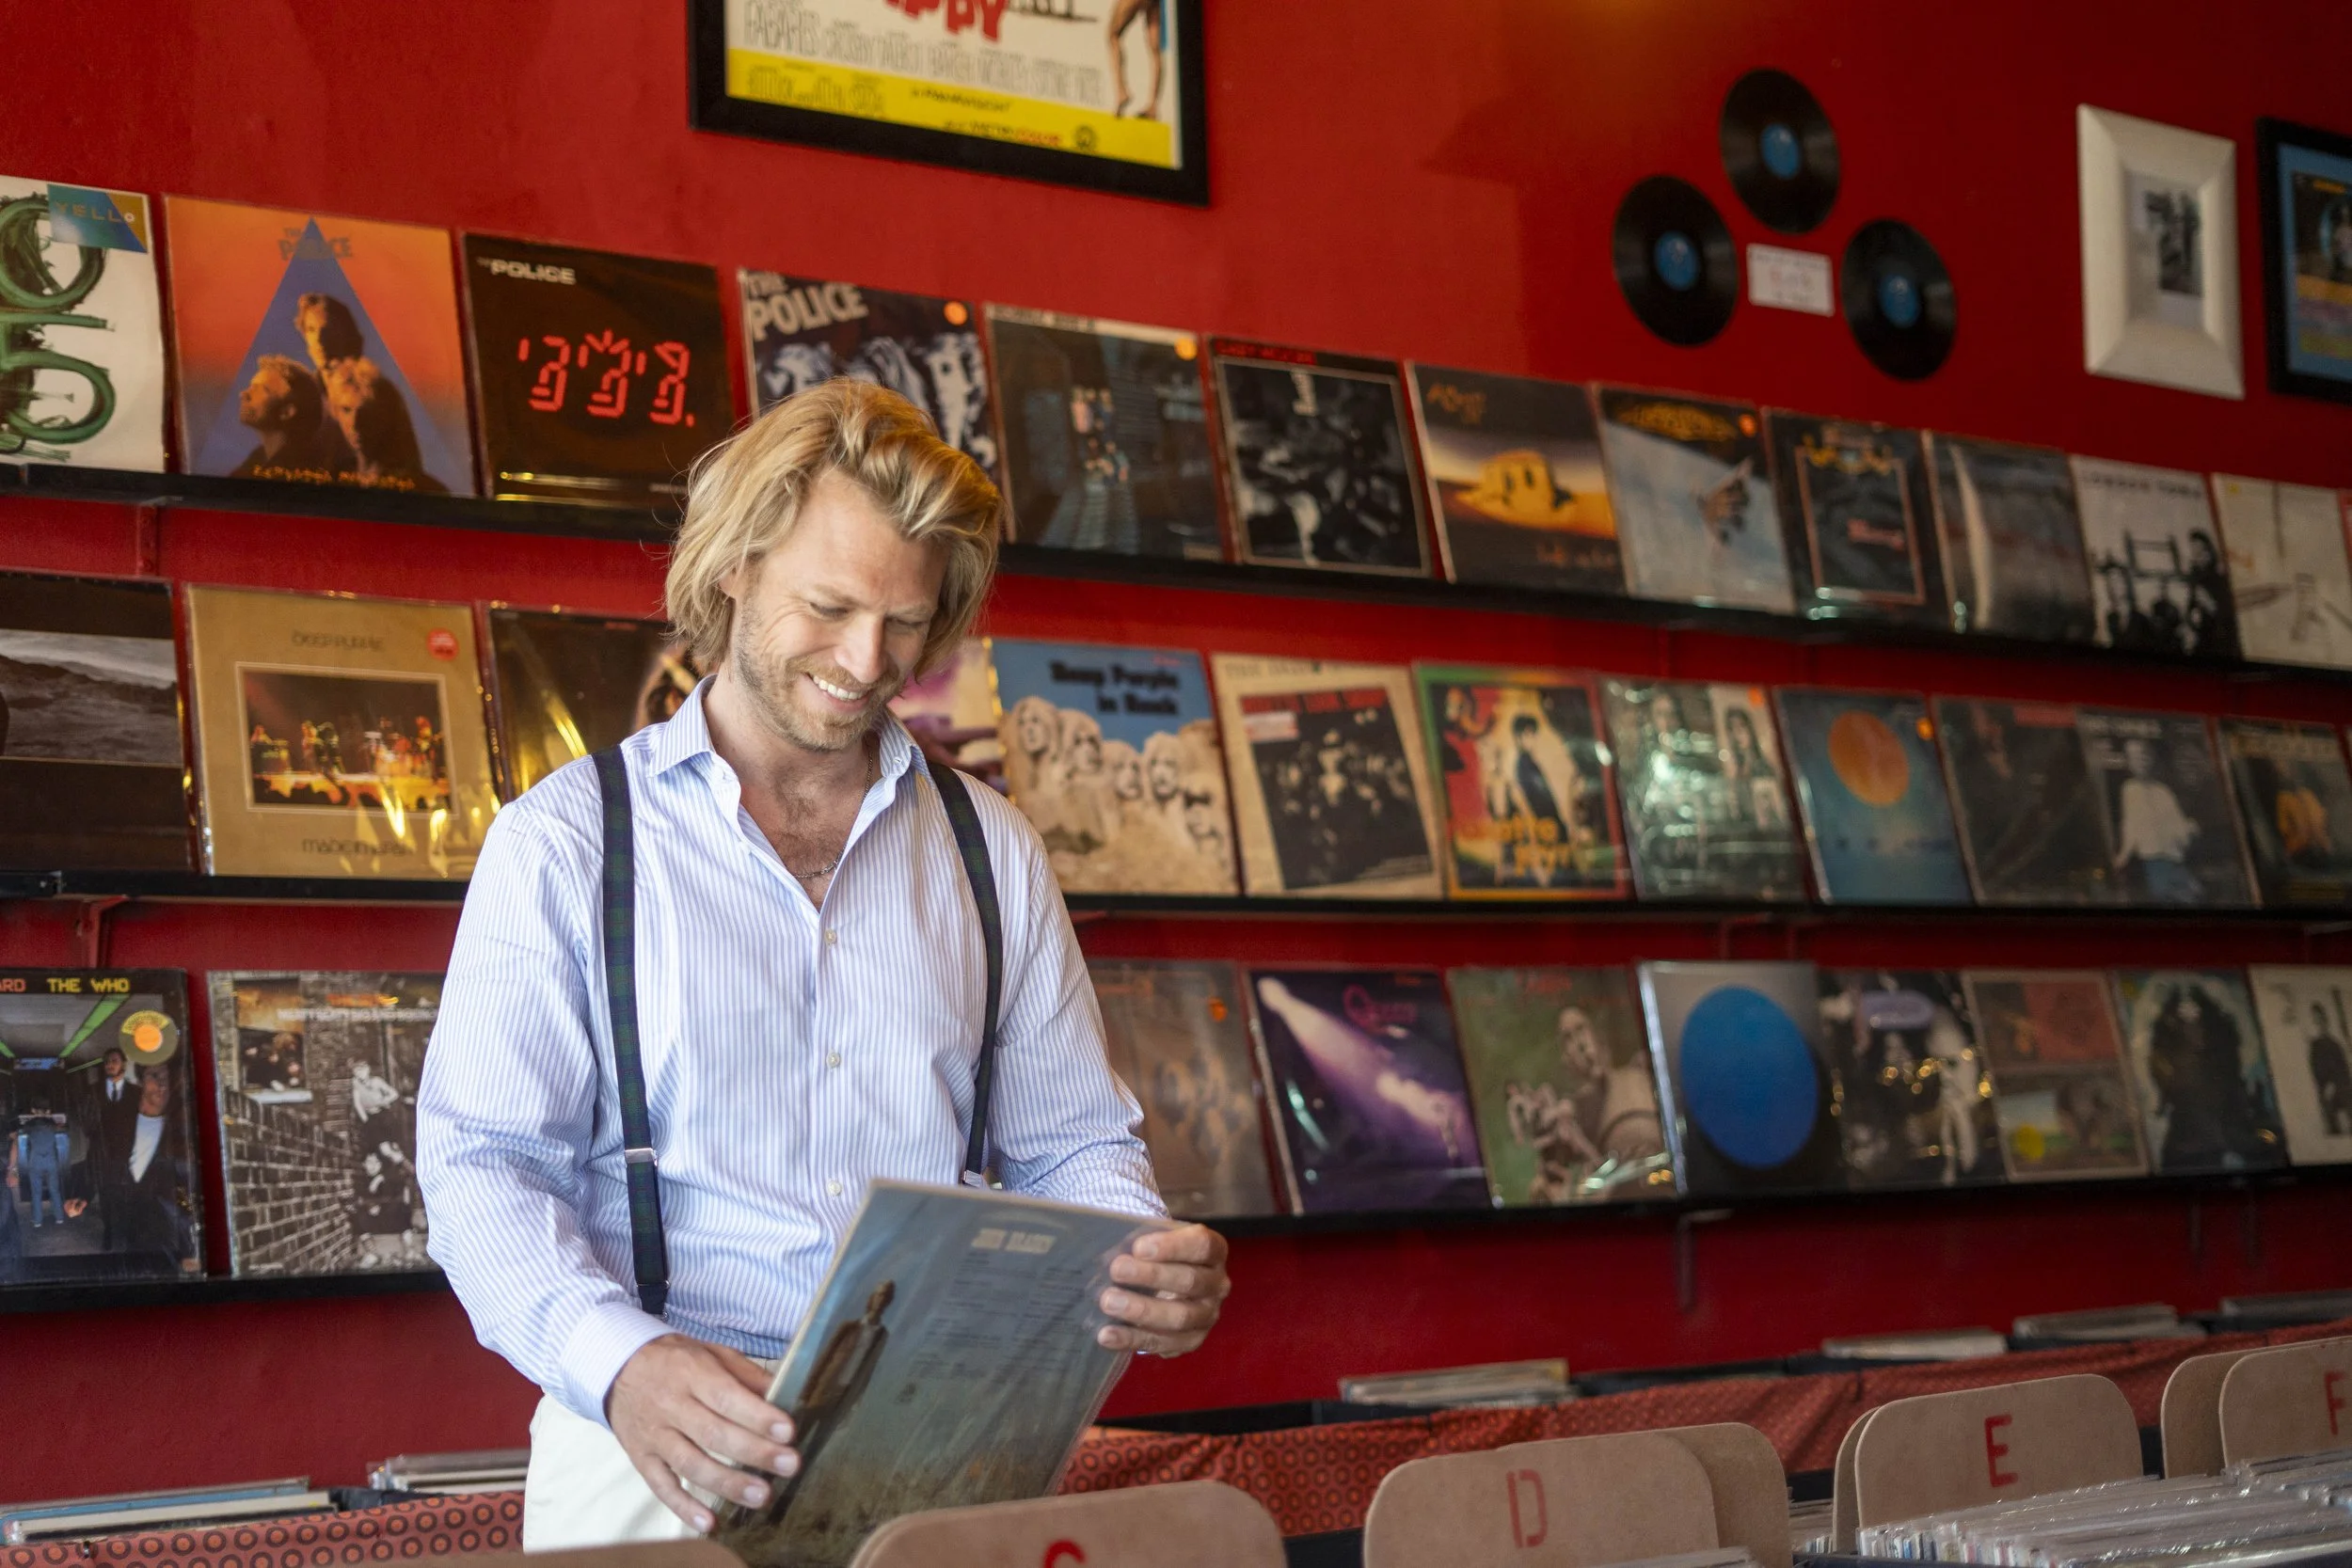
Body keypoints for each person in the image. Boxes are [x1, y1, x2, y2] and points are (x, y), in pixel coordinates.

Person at [417, 382, 1229, 1549]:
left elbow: (1072, 1144)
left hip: (936, 1439)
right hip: (657, 1439)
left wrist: (1139, 1250)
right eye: (830, 605)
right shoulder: (566, 841)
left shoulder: (991, 847)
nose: (866, 659)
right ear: (734, 567)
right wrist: (622, 1362)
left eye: (904, 621)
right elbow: (482, 1164)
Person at [230, 355, 349, 481]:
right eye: (251, 386)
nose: (244, 394)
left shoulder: (303, 474)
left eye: (262, 390)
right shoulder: (256, 461)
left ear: (286, 412)